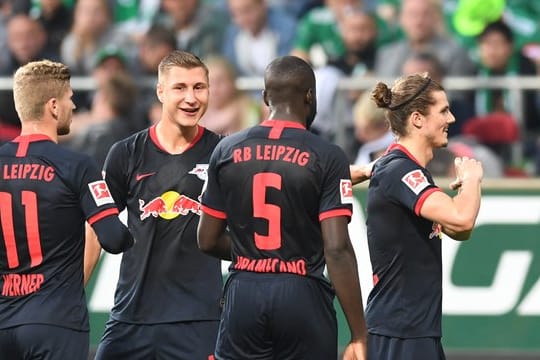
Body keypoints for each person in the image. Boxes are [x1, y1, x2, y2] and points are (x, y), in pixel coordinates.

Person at [197, 55, 367, 359]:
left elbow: (207, 239)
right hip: (302, 291)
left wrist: (255, 256)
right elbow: (337, 249)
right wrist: (358, 333)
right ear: (310, 96)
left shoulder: (226, 149)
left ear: (265, 97)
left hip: (243, 291)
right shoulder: (328, 156)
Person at [90, 50, 223, 360]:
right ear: (160, 91)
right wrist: (73, 293)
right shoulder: (125, 153)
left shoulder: (222, 152)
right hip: (131, 317)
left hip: (199, 322)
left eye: (199, 87)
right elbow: (95, 228)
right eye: (180, 88)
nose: (191, 98)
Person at [0, 59, 133, 360]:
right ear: (53, 106)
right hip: (56, 322)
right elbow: (113, 238)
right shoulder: (76, 166)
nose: (74, 105)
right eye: (70, 97)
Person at [365, 72, 484, 359]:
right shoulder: (401, 170)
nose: (452, 119)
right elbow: (462, 218)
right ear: (417, 119)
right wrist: (472, 178)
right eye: (443, 110)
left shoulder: (404, 170)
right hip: (402, 333)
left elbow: (460, 230)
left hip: (413, 330)